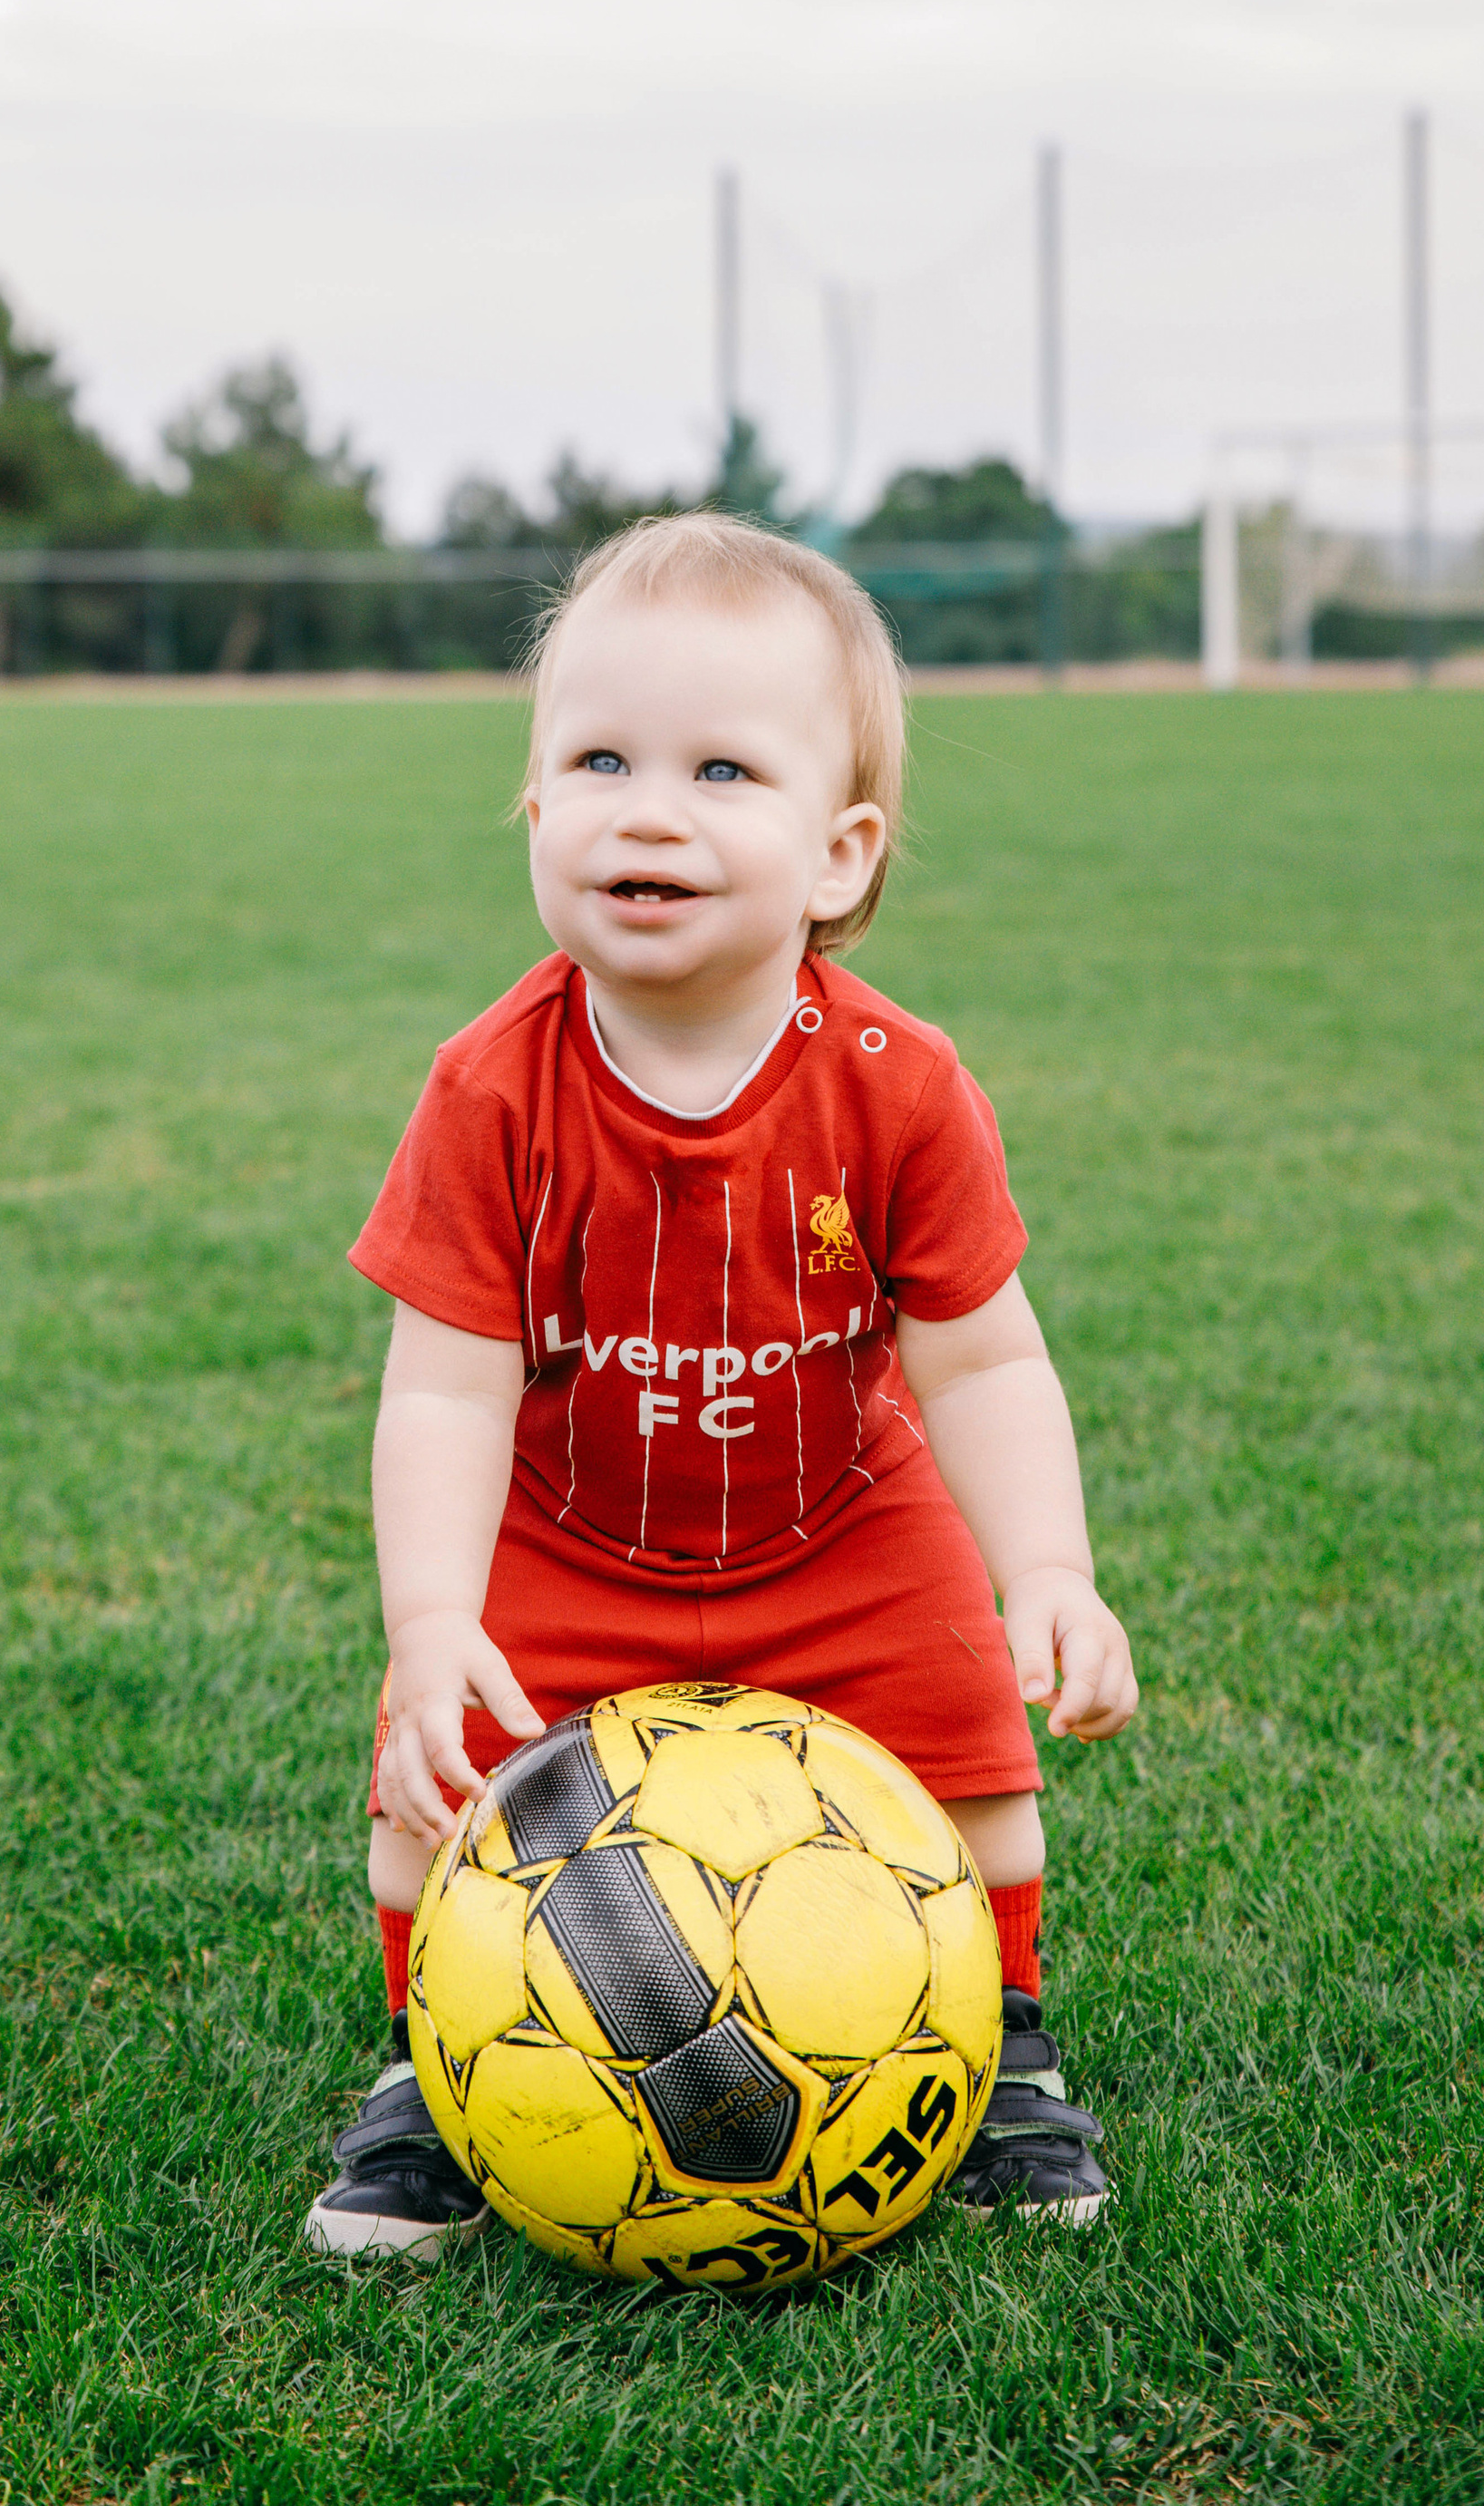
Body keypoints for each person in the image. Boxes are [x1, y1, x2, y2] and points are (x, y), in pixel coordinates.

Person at [305, 511, 1138, 2263]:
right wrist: (434, 1611)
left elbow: (981, 1350)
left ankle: (998, 2055)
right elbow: (446, 1387)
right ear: (533, 811)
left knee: (970, 1746)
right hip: (577, 1525)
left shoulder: (902, 1086)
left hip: (836, 1509)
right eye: (596, 758)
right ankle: (428, 2072)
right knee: (429, 1779)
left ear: (840, 854)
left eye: (721, 769)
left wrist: (1046, 1570)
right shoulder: (491, 1088)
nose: (648, 806)